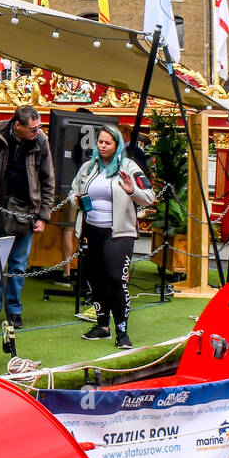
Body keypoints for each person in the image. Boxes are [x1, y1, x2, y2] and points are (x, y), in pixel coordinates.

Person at [69, 124, 155, 350]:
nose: (103, 146)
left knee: (116, 279)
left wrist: (131, 191)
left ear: (117, 144)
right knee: (95, 279)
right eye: (100, 142)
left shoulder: (129, 166)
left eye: (108, 143)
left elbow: (149, 196)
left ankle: (122, 331)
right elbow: (72, 191)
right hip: (91, 230)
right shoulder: (89, 167)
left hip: (118, 232)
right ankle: (102, 326)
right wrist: (75, 200)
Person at [0, 104, 54, 329]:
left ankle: (13, 310)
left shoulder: (41, 141)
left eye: (39, 127)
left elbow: (47, 180)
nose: (37, 132)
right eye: (33, 129)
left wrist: (43, 215)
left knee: (18, 265)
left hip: (26, 210)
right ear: (17, 126)